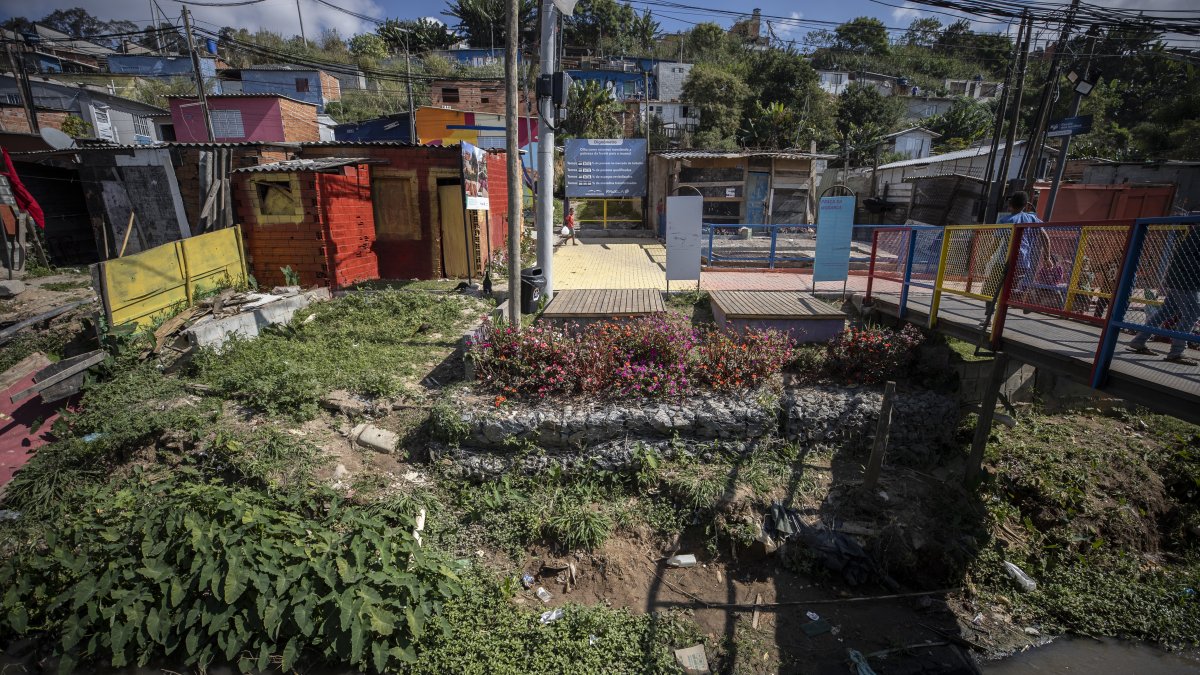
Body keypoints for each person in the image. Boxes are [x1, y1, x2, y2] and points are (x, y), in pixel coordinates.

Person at [1127, 227, 1200, 366]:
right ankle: (1177, 352)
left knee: (1166, 311)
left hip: (1182, 279)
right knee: (1192, 312)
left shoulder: (1195, 232)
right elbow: (1187, 258)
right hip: (1186, 281)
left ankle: (1139, 341)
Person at [981, 192, 1048, 326]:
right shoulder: (1032, 219)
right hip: (1023, 262)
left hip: (1005, 261)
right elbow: (1045, 236)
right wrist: (1047, 256)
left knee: (989, 289)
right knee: (1009, 289)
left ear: (1010, 204)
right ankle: (1025, 302)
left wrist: (987, 257)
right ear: (1025, 205)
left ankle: (989, 319)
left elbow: (996, 243)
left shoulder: (1006, 220)